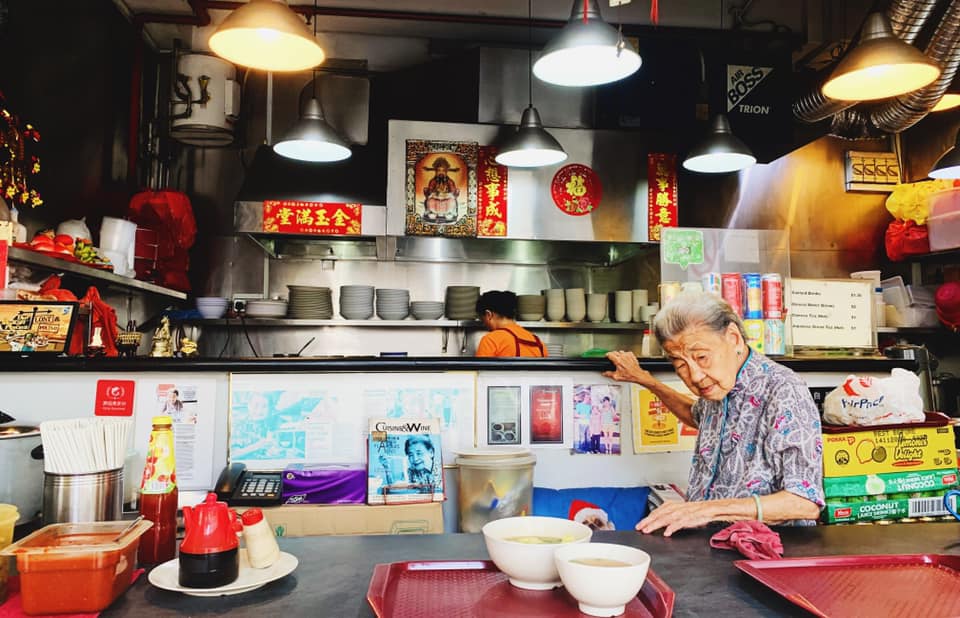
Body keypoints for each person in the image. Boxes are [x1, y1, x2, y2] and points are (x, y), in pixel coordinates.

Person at [603, 291, 824, 536]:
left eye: (702, 357)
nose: (695, 376)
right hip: (712, 543)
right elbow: (695, 416)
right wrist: (645, 380)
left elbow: (804, 502)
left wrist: (706, 510)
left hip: (767, 550)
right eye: (680, 364)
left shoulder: (784, 390)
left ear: (733, 338)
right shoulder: (718, 386)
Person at [475, 291, 546, 357]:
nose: (484, 324)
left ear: (488, 314)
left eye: (482, 319)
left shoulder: (490, 340)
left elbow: (480, 367)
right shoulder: (538, 342)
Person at [422, 156, 460, 223]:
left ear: (446, 172)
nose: (441, 172)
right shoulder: (433, 181)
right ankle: (433, 213)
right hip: (435, 199)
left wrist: (447, 194)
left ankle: (449, 213)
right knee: (430, 201)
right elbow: (430, 191)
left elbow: (453, 191)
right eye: (439, 170)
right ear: (436, 172)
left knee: (451, 201)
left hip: (446, 199)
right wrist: (434, 194)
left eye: (443, 171)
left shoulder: (449, 181)